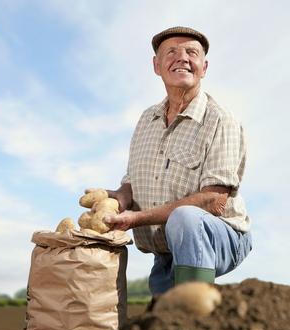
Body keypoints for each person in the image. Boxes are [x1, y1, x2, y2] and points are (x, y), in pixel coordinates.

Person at [99, 26, 252, 295]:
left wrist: (138, 219)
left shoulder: (220, 120)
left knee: (186, 218)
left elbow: (214, 201)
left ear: (203, 67)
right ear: (156, 66)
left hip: (222, 236)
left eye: (191, 52)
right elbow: (132, 181)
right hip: (166, 251)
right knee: (166, 326)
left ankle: (197, 310)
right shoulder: (147, 120)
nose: (182, 58)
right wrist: (117, 198)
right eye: (171, 52)